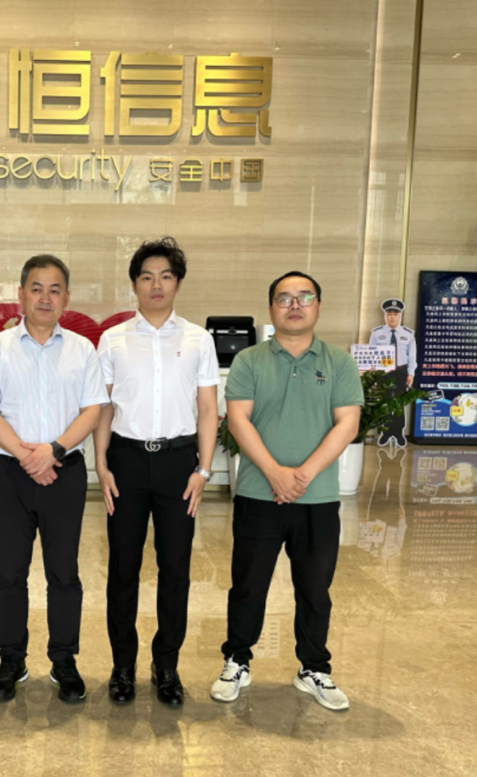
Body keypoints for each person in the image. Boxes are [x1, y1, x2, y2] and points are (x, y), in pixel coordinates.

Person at [210, 271, 362, 712]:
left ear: (318, 306)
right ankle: (237, 661)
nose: (295, 305)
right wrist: (275, 473)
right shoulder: (249, 360)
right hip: (259, 494)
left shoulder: (339, 362)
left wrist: (301, 476)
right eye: (284, 298)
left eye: (304, 297)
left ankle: (313, 667)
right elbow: (238, 419)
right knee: (248, 584)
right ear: (271, 308)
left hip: (318, 498)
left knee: (315, 588)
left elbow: (347, 424)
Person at [0, 254, 108, 704]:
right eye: (36, 288)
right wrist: (27, 455)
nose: (45, 298)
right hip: (9, 473)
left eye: (54, 289)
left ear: (66, 297)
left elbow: (92, 410)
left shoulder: (83, 350)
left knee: (64, 572)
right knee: (10, 572)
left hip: (65, 470)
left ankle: (64, 659)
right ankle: (11, 658)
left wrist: (54, 451)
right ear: (21, 295)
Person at [93, 237, 218, 706]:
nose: (156, 285)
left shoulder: (198, 339)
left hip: (177, 465)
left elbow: (209, 409)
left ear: (178, 283)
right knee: (123, 568)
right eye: (146, 277)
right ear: (134, 284)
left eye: (165, 276)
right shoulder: (113, 339)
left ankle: (167, 665)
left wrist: (203, 470)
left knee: (176, 569)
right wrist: (101, 464)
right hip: (125, 461)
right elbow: (103, 407)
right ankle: (122, 666)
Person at [368, 299, 416, 446]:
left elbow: (411, 356)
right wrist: (372, 370)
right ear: (385, 316)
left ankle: (398, 432)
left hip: (401, 372)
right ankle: (386, 432)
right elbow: (371, 353)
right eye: (389, 314)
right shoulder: (377, 333)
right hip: (384, 373)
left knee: (399, 403)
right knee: (385, 402)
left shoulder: (408, 334)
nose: (392, 317)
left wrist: (411, 373)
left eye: (395, 314)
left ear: (400, 316)